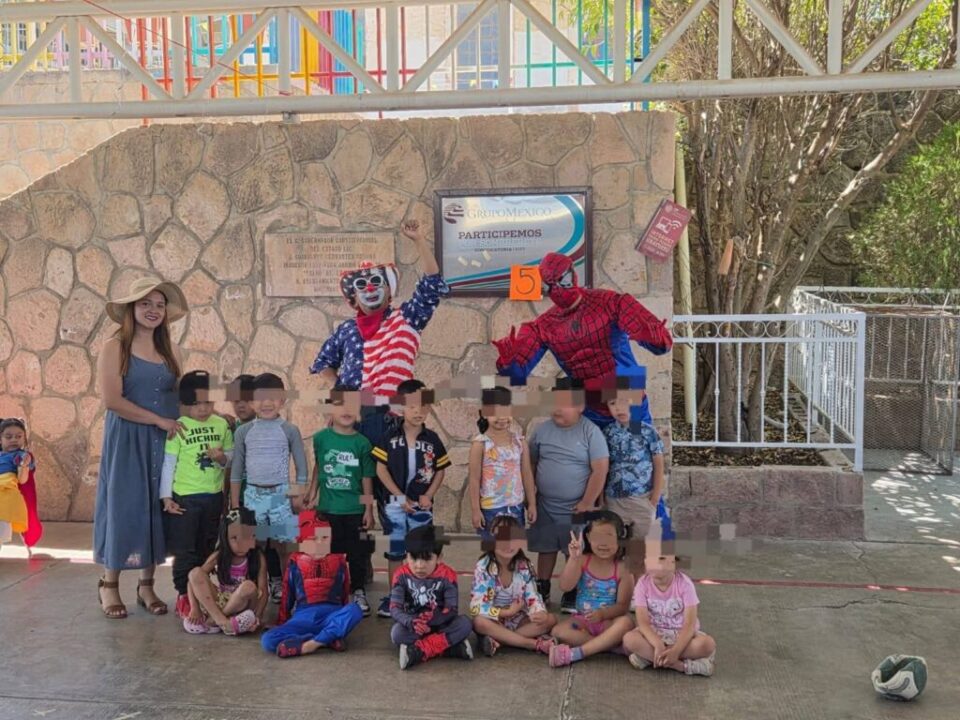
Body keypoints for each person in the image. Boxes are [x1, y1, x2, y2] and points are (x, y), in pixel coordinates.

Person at [94, 276, 189, 619]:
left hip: (165, 441)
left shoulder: (172, 351)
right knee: (125, 507)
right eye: (145, 303)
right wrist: (157, 420)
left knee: (157, 507)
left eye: (159, 305)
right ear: (131, 309)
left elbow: (181, 397)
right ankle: (109, 584)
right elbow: (112, 400)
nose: (153, 310)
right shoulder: (115, 347)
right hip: (129, 439)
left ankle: (146, 585)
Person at [492, 251, 672, 428]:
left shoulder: (610, 302)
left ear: (573, 274)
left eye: (563, 280)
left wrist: (656, 338)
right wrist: (509, 364)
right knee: (596, 449)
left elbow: (662, 345)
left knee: (641, 446)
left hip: (629, 402)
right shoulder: (543, 326)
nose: (558, 290)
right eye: (549, 286)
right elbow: (516, 375)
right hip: (591, 410)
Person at [527, 379, 609, 613]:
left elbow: (600, 469)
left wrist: (587, 502)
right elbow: (531, 462)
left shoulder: (590, 432)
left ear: (580, 406)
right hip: (544, 505)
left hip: (575, 508)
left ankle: (571, 590)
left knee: (572, 550)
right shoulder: (542, 430)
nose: (557, 409)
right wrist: (530, 495)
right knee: (546, 548)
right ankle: (542, 586)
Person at [372, 379, 451, 617]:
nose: (418, 411)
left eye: (423, 405)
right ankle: (395, 597)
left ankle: (422, 597)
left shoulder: (432, 439)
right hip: (395, 504)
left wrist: (429, 494)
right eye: (412, 405)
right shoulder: (389, 436)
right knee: (396, 551)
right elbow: (380, 469)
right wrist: (398, 496)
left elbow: (440, 470)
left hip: (421, 505)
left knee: (421, 551)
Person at [160, 370, 233, 620]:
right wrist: (166, 497)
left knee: (207, 548)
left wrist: (222, 458)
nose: (203, 409)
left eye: (208, 402)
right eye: (196, 403)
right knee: (185, 550)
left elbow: (230, 458)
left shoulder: (221, 424)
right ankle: (183, 595)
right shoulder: (179, 426)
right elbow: (169, 464)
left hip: (213, 497)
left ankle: (202, 595)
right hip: (185, 499)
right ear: (185, 403)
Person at [230, 373, 309, 604]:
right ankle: (256, 588)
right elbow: (237, 469)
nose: (266, 403)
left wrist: (298, 494)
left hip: (280, 495)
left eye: (272, 398)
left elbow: (302, 466)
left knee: (284, 545)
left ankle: (290, 589)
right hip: (252, 496)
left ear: (282, 400)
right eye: (260, 398)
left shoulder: (290, 430)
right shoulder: (243, 431)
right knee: (253, 545)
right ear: (252, 401)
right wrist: (235, 504)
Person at [305, 387, 376, 616]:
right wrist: (312, 492)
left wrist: (368, 508)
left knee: (357, 554)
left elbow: (366, 478)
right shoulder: (320, 439)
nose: (346, 410)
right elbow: (319, 467)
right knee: (329, 554)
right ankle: (331, 592)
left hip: (354, 510)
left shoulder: (363, 443)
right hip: (327, 509)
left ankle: (358, 591)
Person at [262, 515, 364, 658]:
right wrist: (282, 622)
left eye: (325, 538)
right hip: (303, 617)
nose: (320, 543)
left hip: (331, 614)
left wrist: (342, 615)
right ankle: (327, 639)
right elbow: (287, 595)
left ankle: (309, 645)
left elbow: (344, 591)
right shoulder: (295, 562)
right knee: (267, 640)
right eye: (314, 539)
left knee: (355, 610)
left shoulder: (339, 560)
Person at [548, 512, 635, 668]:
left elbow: (623, 606)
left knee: (625, 623)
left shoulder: (623, 569)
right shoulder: (583, 560)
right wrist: (573, 559)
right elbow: (565, 586)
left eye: (609, 537)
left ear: (620, 538)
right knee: (558, 631)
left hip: (609, 622)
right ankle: (609, 646)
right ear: (588, 537)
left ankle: (580, 652)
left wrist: (602, 614)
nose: (603, 544)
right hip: (583, 621)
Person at [622, 533, 717, 677]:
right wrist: (658, 644)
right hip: (654, 634)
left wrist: (676, 650)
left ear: (674, 562)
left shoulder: (685, 585)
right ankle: (680, 664)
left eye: (661, 558)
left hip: (682, 636)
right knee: (629, 639)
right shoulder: (642, 584)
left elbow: (689, 625)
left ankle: (658, 660)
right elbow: (643, 623)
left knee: (707, 644)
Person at [469, 515, 556, 656]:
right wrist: (507, 612)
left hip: (519, 620)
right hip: (494, 620)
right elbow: (476, 607)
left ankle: (501, 641)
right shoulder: (483, 567)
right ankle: (532, 644)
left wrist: (539, 612)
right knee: (479, 622)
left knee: (550, 619)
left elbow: (533, 596)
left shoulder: (524, 565)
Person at [389, 525, 474, 669]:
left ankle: (419, 651)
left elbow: (452, 609)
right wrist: (411, 622)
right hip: (415, 626)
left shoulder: (448, 575)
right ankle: (449, 648)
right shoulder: (400, 575)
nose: (419, 565)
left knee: (465, 624)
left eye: (427, 558)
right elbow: (394, 608)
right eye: (413, 558)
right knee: (397, 634)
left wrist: (432, 621)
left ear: (439, 558)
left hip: (441, 624)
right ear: (406, 555)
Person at [603, 383, 665, 579]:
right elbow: (603, 466)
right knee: (615, 548)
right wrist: (601, 498)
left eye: (624, 402)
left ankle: (640, 589)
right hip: (615, 501)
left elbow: (659, 464)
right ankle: (619, 587)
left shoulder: (648, 432)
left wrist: (654, 498)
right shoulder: (607, 433)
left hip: (642, 500)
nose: (619, 408)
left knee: (640, 550)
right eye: (613, 403)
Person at [468, 387, 537, 542]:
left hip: (516, 507)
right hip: (490, 510)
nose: (502, 417)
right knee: (493, 548)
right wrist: (475, 510)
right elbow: (474, 479)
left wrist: (532, 503)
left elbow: (527, 474)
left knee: (514, 547)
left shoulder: (520, 442)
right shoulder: (480, 444)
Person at [185, 507, 267, 635]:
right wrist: (195, 608)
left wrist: (258, 617)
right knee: (195, 573)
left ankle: (213, 621)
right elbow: (192, 581)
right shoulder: (220, 555)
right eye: (234, 538)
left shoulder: (258, 556)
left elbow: (263, 591)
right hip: (222, 600)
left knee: (249, 586)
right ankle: (224, 622)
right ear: (225, 538)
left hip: (244, 605)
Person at [0, 418, 37, 550]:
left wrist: (24, 466)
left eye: (18, 436)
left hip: (6, 491)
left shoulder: (22, 456)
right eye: (8, 437)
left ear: (24, 438)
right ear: (0, 439)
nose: (14, 440)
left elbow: (22, 480)